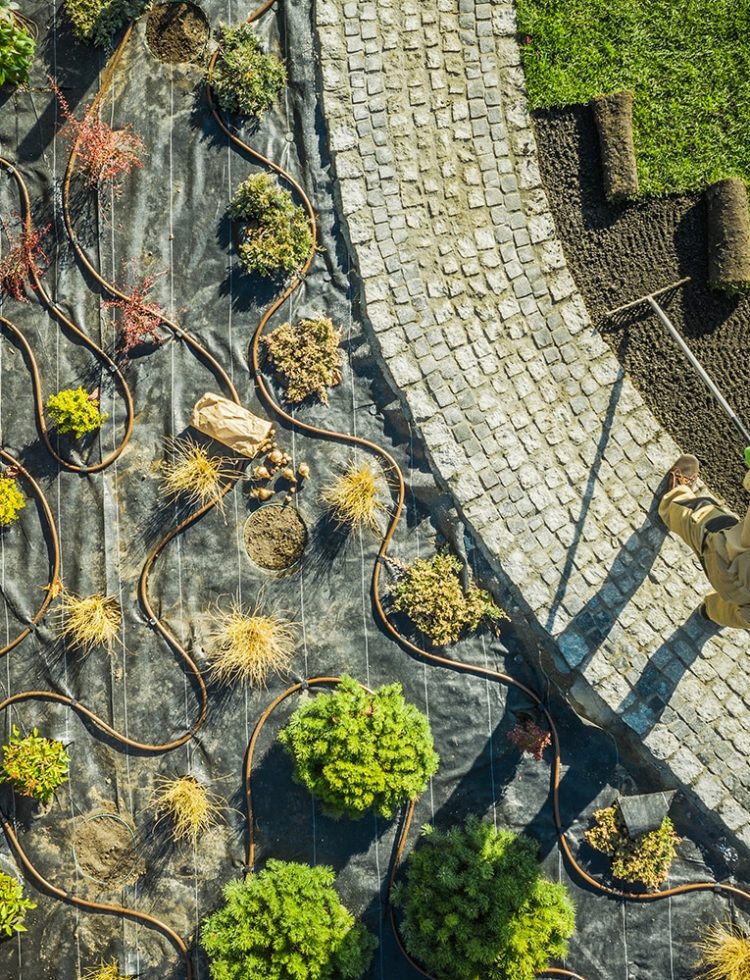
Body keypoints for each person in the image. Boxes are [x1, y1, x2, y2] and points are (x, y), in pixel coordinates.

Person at [658, 454, 750, 629]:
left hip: (734, 569)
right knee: (737, 614)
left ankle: (672, 500)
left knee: (700, 516)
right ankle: (709, 612)